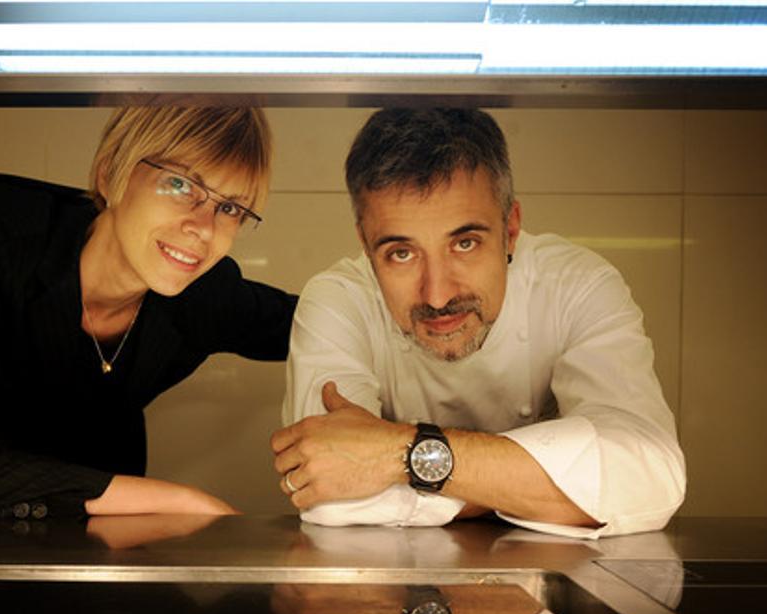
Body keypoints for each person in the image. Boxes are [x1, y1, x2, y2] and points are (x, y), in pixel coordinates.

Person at [271, 108, 685, 538]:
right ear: (364, 242)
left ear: (511, 229)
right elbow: (329, 491)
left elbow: (648, 475)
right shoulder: (338, 300)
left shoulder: (575, 284)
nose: (438, 295)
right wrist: (547, 486)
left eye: (465, 243)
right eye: (401, 253)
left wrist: (398, 454)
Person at [0, 106, 297, 519]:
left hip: (88, 555)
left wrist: (364, 443)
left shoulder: (206, 294)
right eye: (180, 184)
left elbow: (319, 323)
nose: (204, 228)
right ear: (111, 173)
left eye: (230, 209)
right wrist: (180, 502)